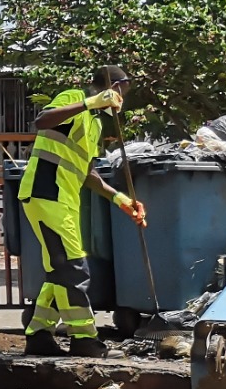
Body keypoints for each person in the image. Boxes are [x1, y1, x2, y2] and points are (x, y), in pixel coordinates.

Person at [18, 65, 147, 358]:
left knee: (60, 271)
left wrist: (122, 201)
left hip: (63, 199)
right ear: (112, 87)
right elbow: (42, 121)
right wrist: (92, 101)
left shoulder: (95, 124)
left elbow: (89, 174)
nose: (122, 100)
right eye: (122, 92)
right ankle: (84, 339)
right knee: (74, 269)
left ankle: (39, 336)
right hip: (45, 192)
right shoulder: (74, 98)